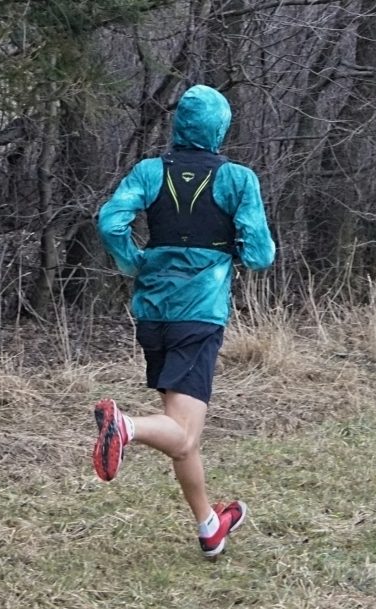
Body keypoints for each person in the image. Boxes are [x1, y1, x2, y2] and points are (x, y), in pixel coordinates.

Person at [93, 84, 275, 559]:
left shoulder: (150, 172)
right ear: (220, 129)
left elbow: (111, 221)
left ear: (179, 127)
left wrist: (134, 262)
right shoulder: (237, 179)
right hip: (199, 312)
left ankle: (209, 526)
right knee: (185, 431)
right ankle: (124, 427)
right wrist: (232, 252)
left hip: (152, 312)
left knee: (178, 430)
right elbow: (260, 255)